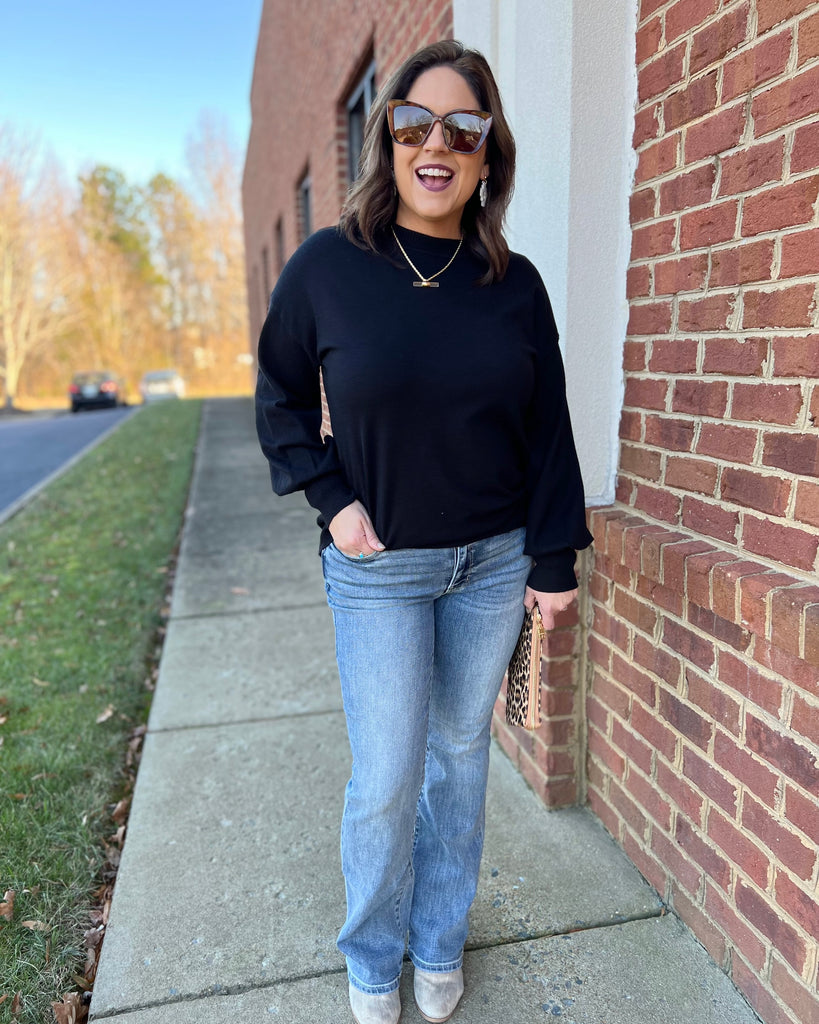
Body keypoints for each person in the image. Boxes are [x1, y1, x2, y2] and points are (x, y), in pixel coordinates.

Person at [255, 39, 593, 1024]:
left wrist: (553, 558)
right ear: (388, 139)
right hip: (379, 569)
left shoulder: (514, 284)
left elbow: (548, 428)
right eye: (413, 124)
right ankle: (373, 956)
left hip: (492, 565)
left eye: (463, 128)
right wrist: (333, 501)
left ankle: (439, 938)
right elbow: (279, 400)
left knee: (459, 760)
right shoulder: (328, 268)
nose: (435, 144)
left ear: (489, 155)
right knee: (387, 777)